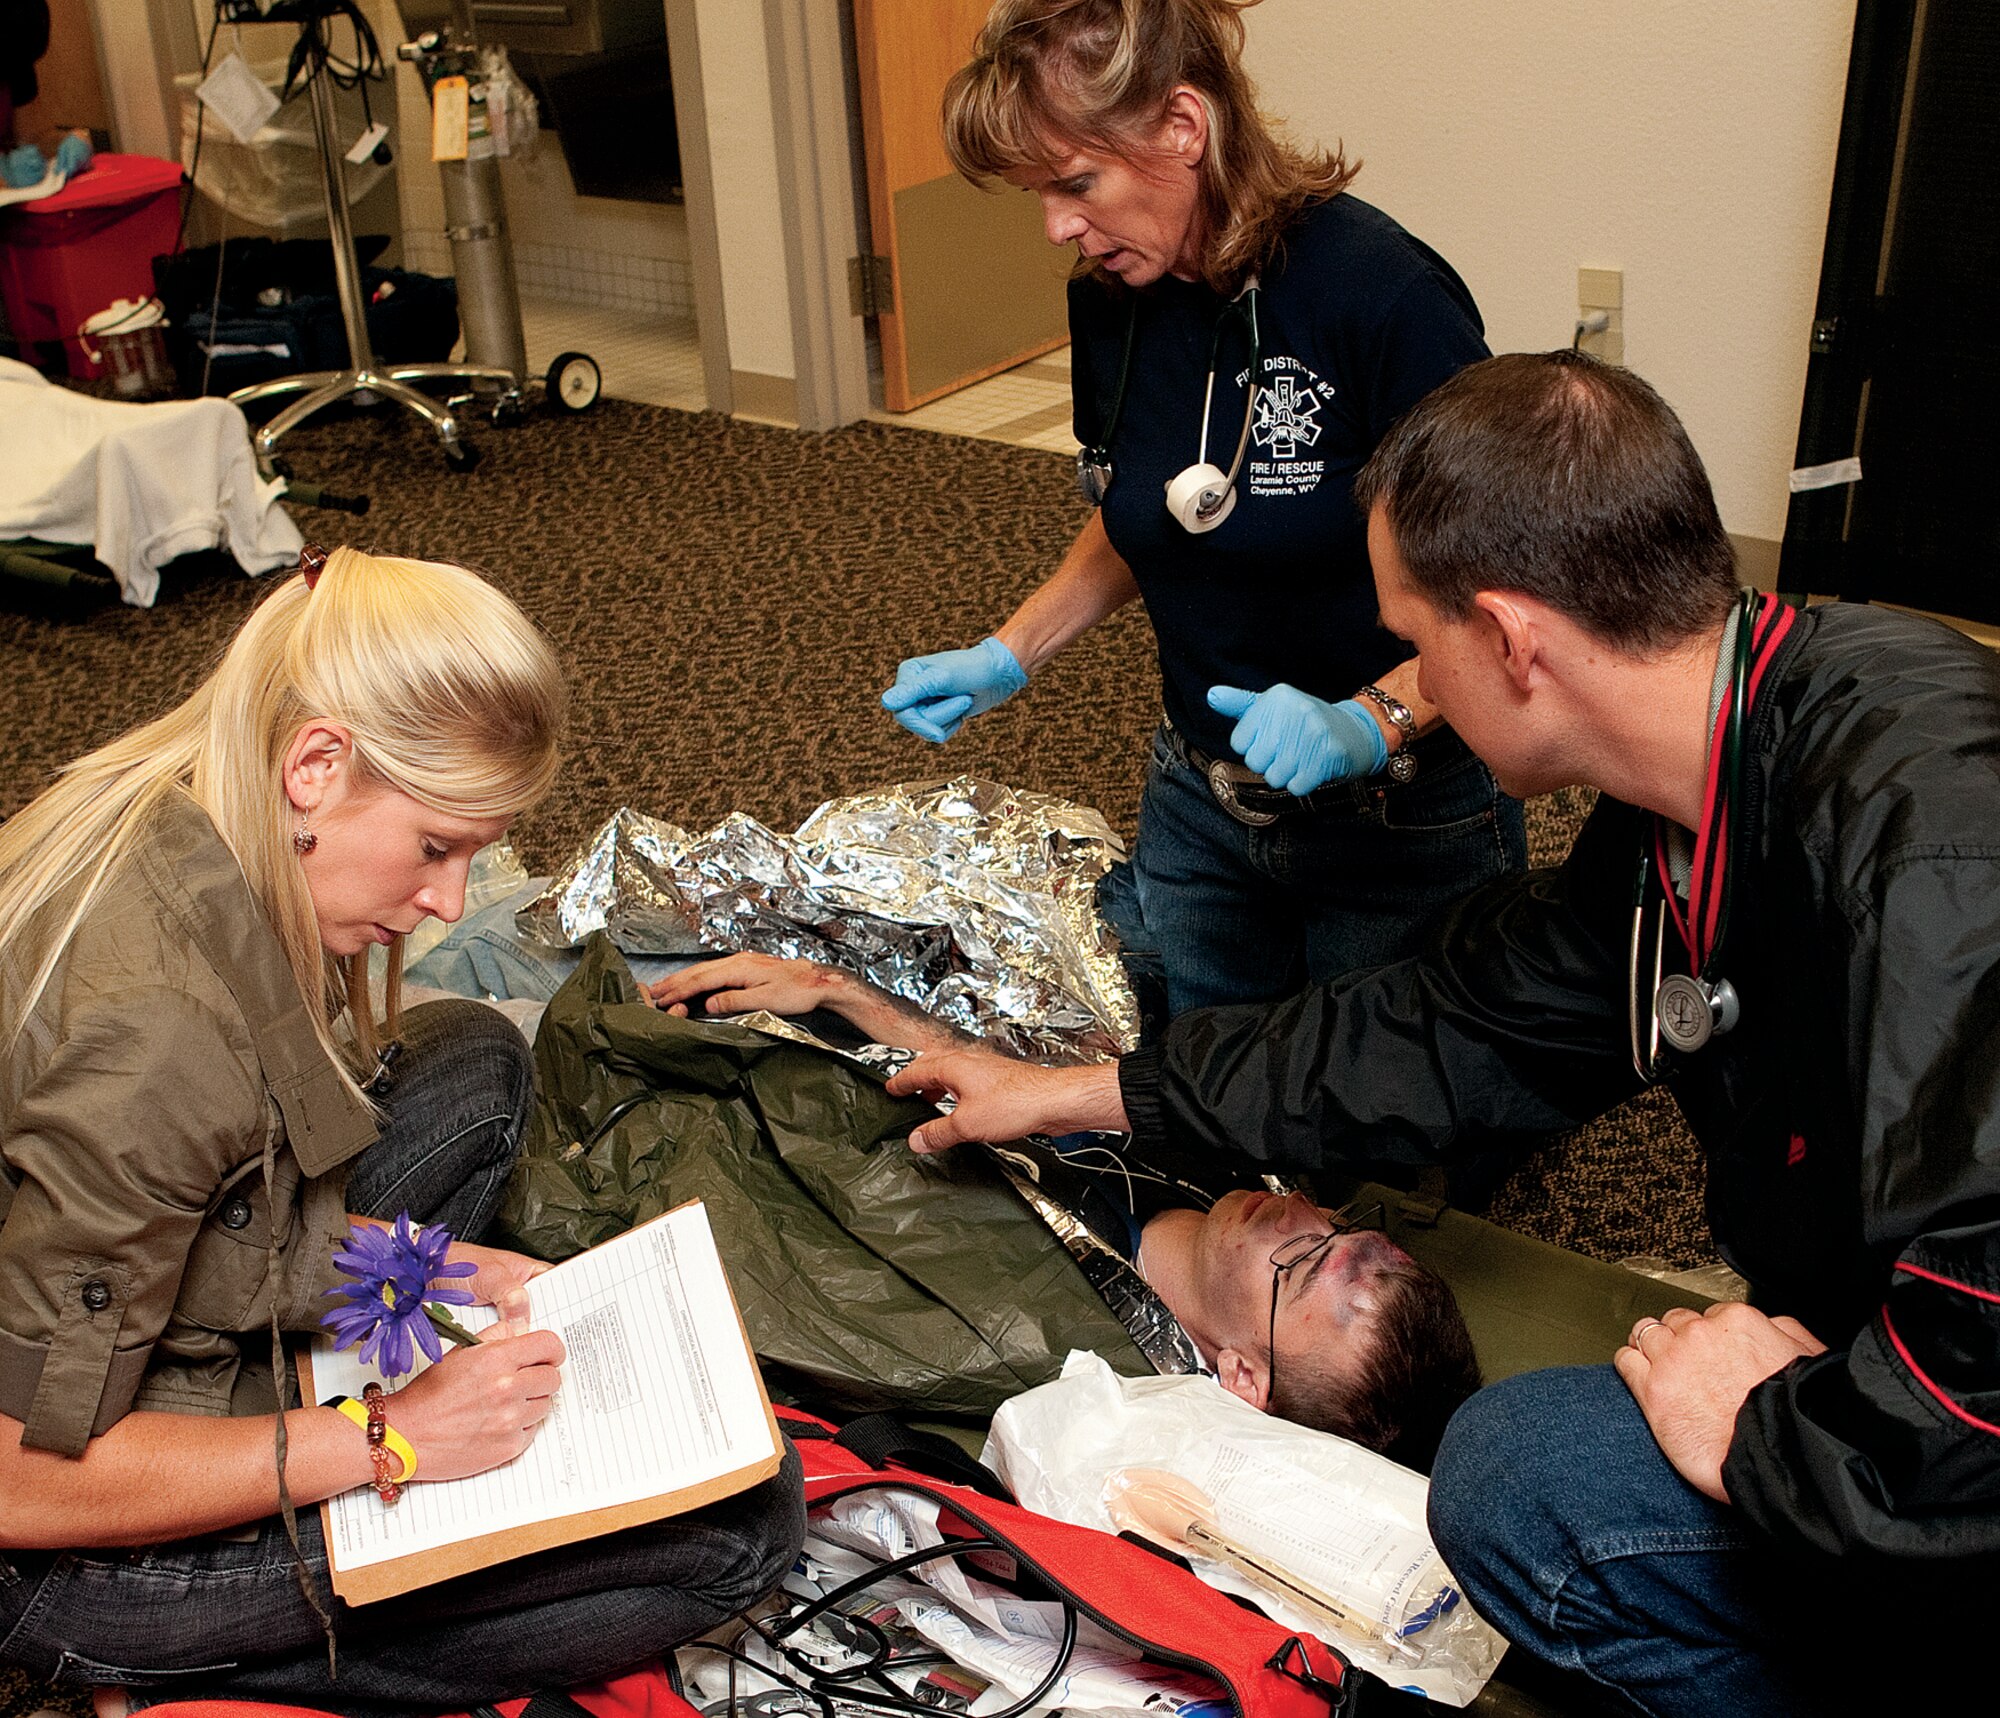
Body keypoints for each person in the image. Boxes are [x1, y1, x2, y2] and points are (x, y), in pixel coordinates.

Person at [871, 352, 2000, 1712]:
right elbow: (1447, 1026)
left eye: (1413, 638)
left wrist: (1762, 1437)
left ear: (1515, 641)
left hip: (1957, 1427)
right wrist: (1069, 1096)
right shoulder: (1711, 773)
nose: (1400, 681)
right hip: (1885, 1340)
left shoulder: (1933, 846)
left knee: (1524, 1477)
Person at [0, 547, 804, 1717]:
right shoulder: (159, 1034)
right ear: (316, 765)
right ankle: (157, 1663)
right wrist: (388, 1437)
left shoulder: (194, 790)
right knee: (738, 1532)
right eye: (436, 846)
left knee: (473, 1056)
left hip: (115, 1312)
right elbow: (22, 1475)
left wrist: (432, 1266)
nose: (445, 898)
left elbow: (221, 1206)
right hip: (48, 1544)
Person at [880, 0, 1525, 1017]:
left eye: (1074, 183)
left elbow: (1505, 587)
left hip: (1394, 813)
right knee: (1203, 1089)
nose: (1055, 226)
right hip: (1200, 794)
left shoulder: (1379, 295)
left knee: (1376, 1128)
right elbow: (1150, 508)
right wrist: (1011, 649)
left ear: (1183, 127)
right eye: (1035, 195)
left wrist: (1369, 720)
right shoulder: (1110, 302)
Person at [643, 952, 1479, 1467]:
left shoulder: (1037, 1333)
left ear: (1243, 1377)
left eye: (1300, 1267)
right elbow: (1004, 1077)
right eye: (1333, 1226)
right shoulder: (1221, 1166)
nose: (1296, 1212)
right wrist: (839, 995)